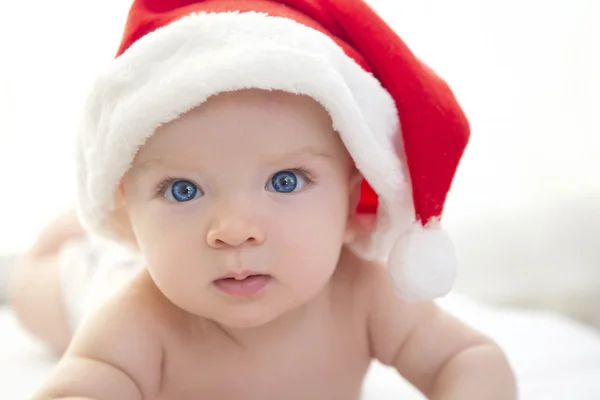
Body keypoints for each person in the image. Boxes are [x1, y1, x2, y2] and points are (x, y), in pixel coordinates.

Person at [10, 0, 517, 399]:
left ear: (350, 195)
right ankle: (44, 256)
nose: (234, 229)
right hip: (103, 275)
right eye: (182, 190)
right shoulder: (138, 320)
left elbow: (469, 359)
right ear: (128, 209)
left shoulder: (364, 296)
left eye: (286, 181)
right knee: (41, 298)